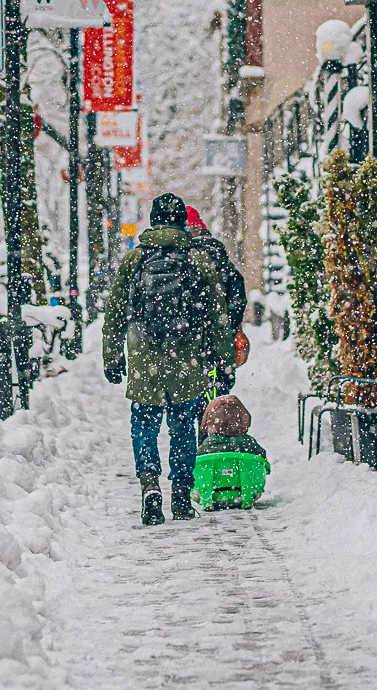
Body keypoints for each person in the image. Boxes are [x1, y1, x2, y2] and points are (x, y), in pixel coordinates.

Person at [102, 192, 234, 525]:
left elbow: (115, 310)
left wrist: (113, 356)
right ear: (180, 222)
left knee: (144, 423)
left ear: (154, 220)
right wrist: (224, 362)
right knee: (183, 427)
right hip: (186, 357)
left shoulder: (135, 259)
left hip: (145, 355)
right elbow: (217, 316)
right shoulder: (198, 260)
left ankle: (149, 483)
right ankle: (180, 494)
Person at [183, 204, 248, 335]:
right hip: (219, 330)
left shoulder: (179, 256)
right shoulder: (217, 253)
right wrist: (230, 326)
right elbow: (237, 293)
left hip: (188, 336)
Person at [197, 394, 267, 463]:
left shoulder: (208, 444)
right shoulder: (249, 443)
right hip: (245, 472)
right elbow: (262, 459)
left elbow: (197, 461)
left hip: (213, 473)